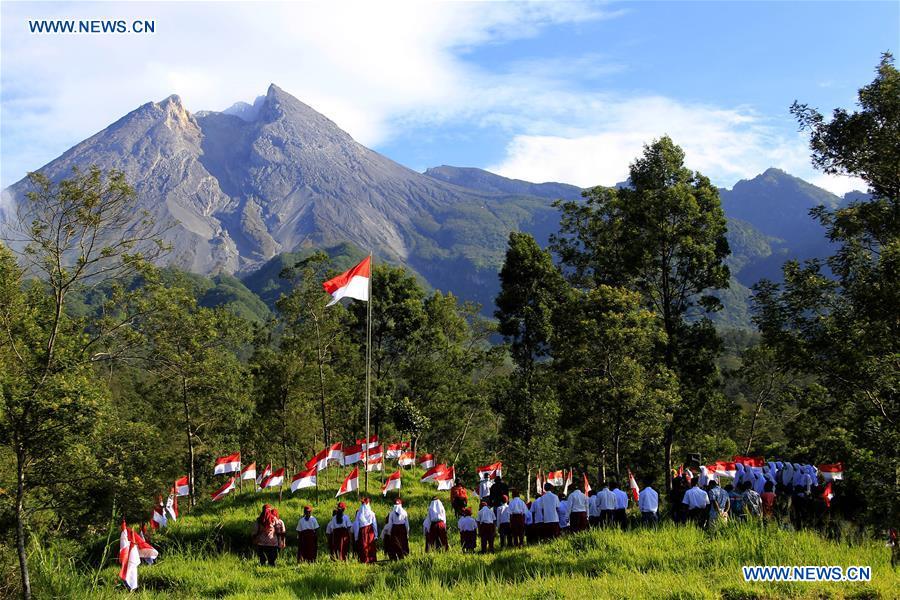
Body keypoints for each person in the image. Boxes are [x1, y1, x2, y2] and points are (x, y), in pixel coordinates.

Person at [352, 497, 378, 563]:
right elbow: (374, 524)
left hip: (363, 531)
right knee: (370, 544)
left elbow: (356, 525)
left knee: (364, 544)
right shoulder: (372, 513)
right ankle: (372, 559)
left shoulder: (359, 513)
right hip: (370, 531)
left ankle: (364, 560)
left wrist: (356, 536)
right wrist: (376, 535)